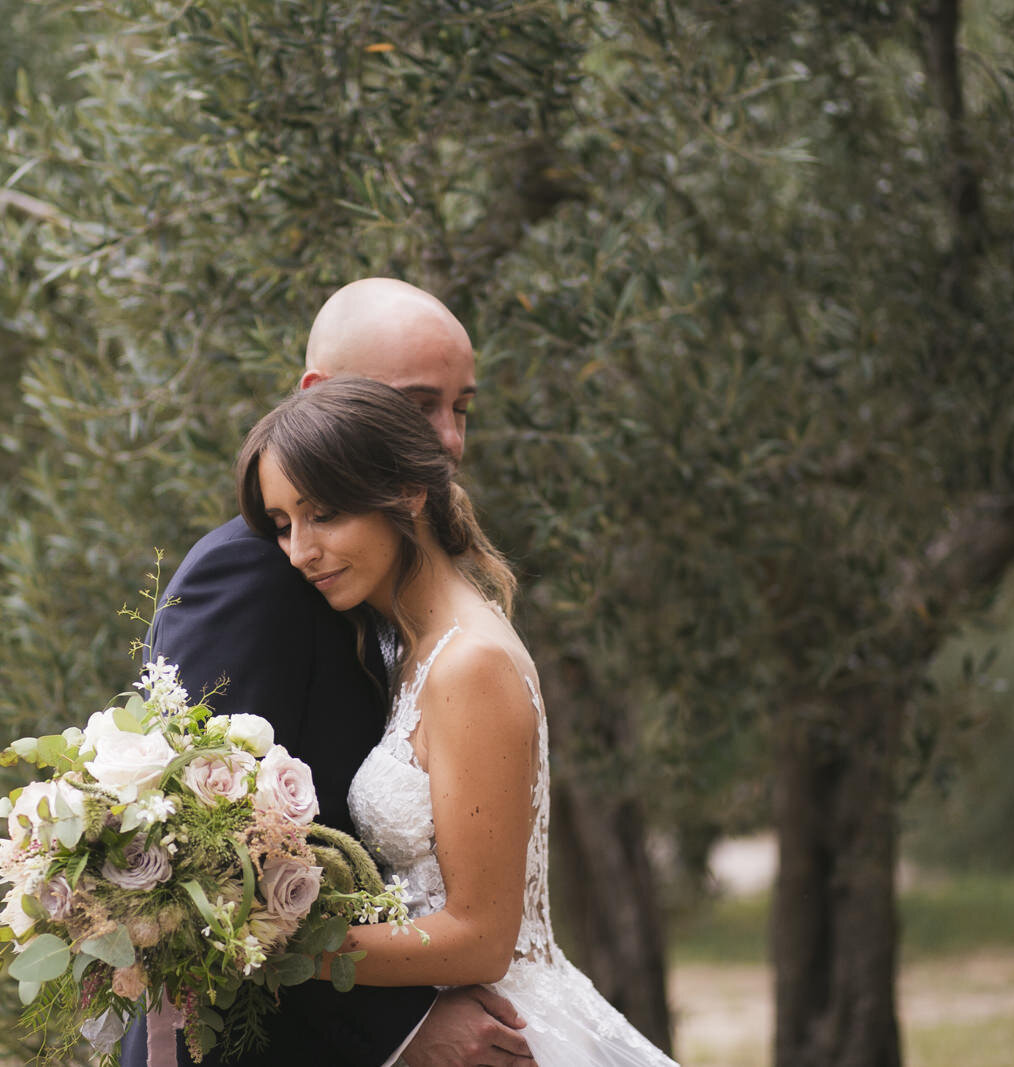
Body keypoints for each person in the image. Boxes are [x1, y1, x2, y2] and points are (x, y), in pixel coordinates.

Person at [120, 279, 534, 1067]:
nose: (446, 439)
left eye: (461, 407)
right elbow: (202, 871)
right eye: (417, 407)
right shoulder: (258, 574)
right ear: (324, 395)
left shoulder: (413, 608)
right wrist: (405, 1029)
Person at [234, 378, 678, 1067]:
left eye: (323, 514)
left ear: (408, 493)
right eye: (284, 523)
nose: (299, 551)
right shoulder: (402, 645)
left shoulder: (471, 662)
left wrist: (271, 944)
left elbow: (480, 935)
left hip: (501, 1031)